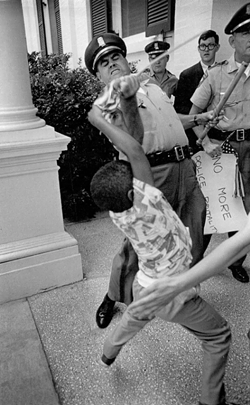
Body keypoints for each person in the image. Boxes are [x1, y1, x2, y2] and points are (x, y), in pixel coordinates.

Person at [88, 99, 232, 405]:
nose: (143, 178)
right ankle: (211, 402)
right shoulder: (148, 200)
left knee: (133, 318)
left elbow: (134, 157)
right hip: (171, 293)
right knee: (219, 336)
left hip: (145, 285)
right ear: (134, 193)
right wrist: (98, 120)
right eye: (137, 180)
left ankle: (107, 353)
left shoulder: (118, 213)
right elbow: (136, 152)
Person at [84, 33, 223, 330]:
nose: (112, 65)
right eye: (103, 64)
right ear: (98, 76)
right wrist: (127, 97)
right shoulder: (108, 101)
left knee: (193, 228)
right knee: (140, 243)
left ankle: (177, 289)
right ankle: (113, 295)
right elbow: (134, 140)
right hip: (151, 175)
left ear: (126, 59)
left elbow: (171, 119)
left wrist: (200, 118)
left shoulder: (151, 86)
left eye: (115, 57)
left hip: (184, 167)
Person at [189, 3, 250, 284]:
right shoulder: (216, 74)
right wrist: (204, 145)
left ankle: (236, 261)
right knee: (212, 210)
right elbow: (193, 118)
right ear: (232, 40)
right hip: (221, 150)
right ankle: (194, 267)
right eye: (246, 33)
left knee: (244, 210)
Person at [174, 30, 220, 154]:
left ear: (217, 47)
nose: (206, 50)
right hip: (195, 137)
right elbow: (181, 110)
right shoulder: (187, 75)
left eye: (210, 45)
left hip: (219, 136)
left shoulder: (223, 72)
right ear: (198, 49)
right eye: (203, 46)